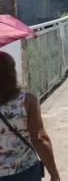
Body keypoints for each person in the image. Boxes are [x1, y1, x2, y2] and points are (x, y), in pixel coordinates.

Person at [0, 52, 60, 181]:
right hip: (25, 171)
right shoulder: (28, 101)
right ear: (11, 74)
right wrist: (54, 173)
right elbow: (39, 139)